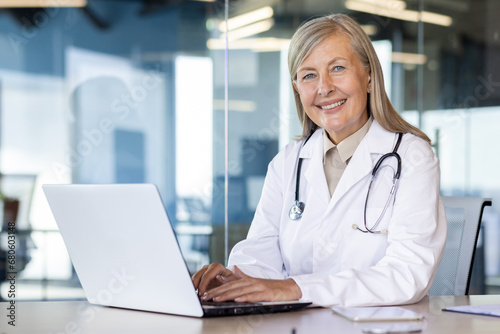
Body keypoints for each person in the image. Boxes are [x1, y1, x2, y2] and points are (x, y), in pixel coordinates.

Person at [192, 13, 447, 307]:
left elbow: (406, 275)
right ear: (297, 88)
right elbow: (260, 255)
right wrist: (233, 280)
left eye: (337, 68)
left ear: (369, 77)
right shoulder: (288, 162)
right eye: (309, 75)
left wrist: (296, 288)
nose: (324, 87)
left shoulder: (412, 157)